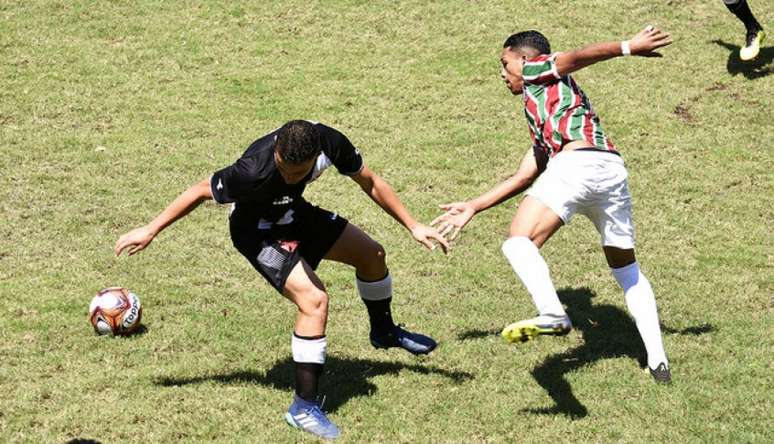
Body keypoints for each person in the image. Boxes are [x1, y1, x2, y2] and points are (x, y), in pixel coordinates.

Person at [115, 120, 449, 440]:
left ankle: (385, 332)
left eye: (299, 173)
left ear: (314, 156)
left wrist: (413, 224)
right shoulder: (252, 170)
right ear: (277, 150)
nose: (290, 177)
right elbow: (199, 191)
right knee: (314, 300)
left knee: (373, 255)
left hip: (293, 215)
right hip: (256, 233)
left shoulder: (329, 142)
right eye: (284, 170)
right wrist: (150, 229)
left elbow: (370, 182)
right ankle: (303, 408)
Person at [431, 27, 673, 383]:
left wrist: (627, 47)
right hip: (610, 170)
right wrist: (474, 206)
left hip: (577, 167)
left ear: (524, 59)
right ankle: (658, 360)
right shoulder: (546, 111)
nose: (502, 74)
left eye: (504, 63)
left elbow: (576, 56)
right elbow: (523, 176)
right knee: (626, 269)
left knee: (518, 241)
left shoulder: (536, 69)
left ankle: (552, 313)